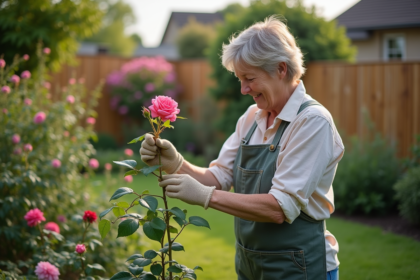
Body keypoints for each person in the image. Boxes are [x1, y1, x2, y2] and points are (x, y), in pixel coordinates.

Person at [140, 16, 343, 280]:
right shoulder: (251, 118)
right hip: (251, 263)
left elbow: (279, 208)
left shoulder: (312, 123)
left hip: (300, 265)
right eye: (239, 78)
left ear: (281, 69)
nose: (243, 89)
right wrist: (175, 163)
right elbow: (220, 178)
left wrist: (206, 196)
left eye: (249, 78)